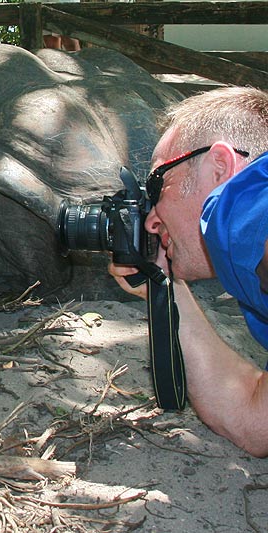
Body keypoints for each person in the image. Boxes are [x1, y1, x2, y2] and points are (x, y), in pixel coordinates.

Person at [108, 86, 268, 457]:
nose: (150, 221)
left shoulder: (244, 211)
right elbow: (254, 422)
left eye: (157, 184)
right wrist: (165, 288)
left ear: (220, 167)